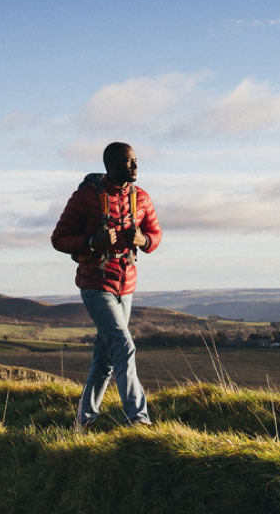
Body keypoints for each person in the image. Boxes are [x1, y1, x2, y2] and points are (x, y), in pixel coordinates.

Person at [51, 142, 162, 428]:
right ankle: (138, 419)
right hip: (95, 284)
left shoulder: (143, 198)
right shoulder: (84, 198)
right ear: (110, 164)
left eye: (136, 160)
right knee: (124, 347)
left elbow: (155, 233)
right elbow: (59, 239)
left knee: (105, 361)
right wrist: (90, 242)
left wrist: (144, 241)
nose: (136, 167)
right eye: (129, 162)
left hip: (127, 285)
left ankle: (84, 421)